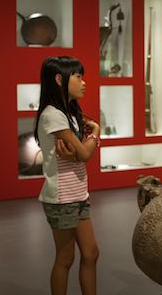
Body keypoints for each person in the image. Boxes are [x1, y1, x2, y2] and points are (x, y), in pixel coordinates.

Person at [34, 56, 101, 295]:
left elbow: (78, 154)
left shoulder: (70, 113)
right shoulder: (53, 115)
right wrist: (96, 133)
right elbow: (83, 154)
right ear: (59, 79)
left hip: (78, 193)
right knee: (65, 258)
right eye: (78, 76)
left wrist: (82, 150)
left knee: (91, 253)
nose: (83, 82)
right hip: (62, 197)